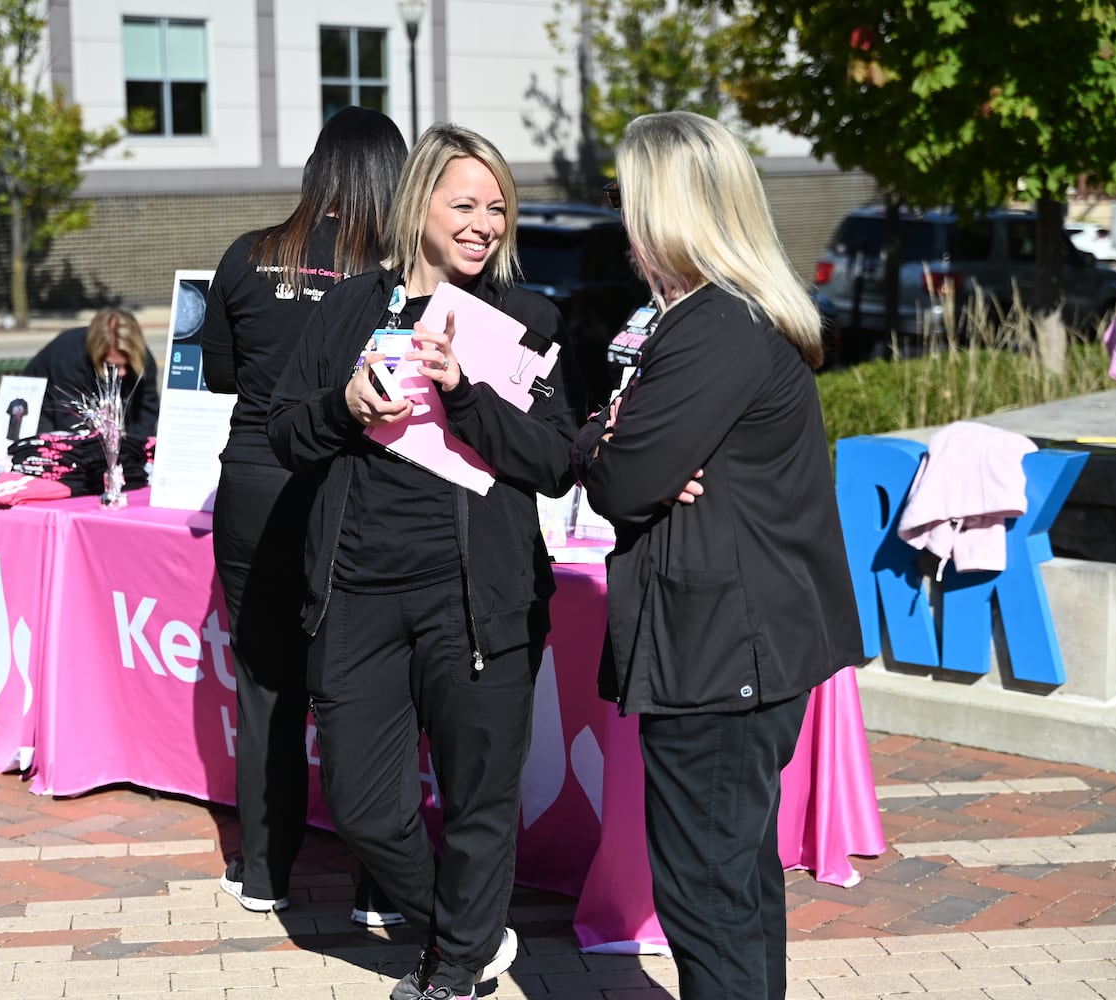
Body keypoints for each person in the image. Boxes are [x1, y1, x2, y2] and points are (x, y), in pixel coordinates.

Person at [266, 123, 578, 1000]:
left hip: (479, 602)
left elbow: (556, 463)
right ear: (419, 207)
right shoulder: (347, 309)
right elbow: (283, 432)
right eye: (465, 204)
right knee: (364, 807)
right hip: (357, 596)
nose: (484, 223)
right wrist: (343, 406)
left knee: (480, 802)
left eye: (496, 208)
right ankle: (467, 934)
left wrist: (465, 395)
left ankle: (449, 973)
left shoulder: (527, 320)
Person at [571, 111, 863, 999]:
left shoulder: (712, 325)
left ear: (670, 206)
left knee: (706, 895)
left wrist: (610, 449)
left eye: (628, 197)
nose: (620, 218)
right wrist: (614, 443)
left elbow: (619, 482)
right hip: (739, 647)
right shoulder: (716, 317)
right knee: (732, 882)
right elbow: (624, 458)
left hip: (721, 652)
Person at [200, 106, 409, 924]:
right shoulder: (395, 273)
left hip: (253, 486)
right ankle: (382, 887)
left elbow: (220, 373)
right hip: (354, 493)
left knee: (266, 686)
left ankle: (263, 873)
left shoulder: (250, 255)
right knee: (373, 690)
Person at [23, 307, 158, 448]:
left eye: (127, 365)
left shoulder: (141, 358)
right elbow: (69, 419)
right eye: (114, 367)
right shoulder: (68, 355)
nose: (123, 372)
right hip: (42, 406)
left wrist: (133, 449)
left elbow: (146, 412)